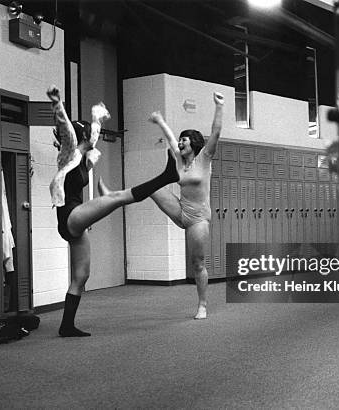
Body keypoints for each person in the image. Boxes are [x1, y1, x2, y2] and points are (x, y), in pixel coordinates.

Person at [47, 86, 179, 337]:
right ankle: (166, 176)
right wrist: (57, 102)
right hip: (70, 217)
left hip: (76, 220)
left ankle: (66, 326)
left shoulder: (85, 153)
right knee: (118, 197)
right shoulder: (68, 155)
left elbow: (93, 135)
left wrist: (98, 116)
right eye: (86, 132)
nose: (90, 136)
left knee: (82, 276)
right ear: (78, 137)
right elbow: (65, 128)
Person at [148, 92, 224, 319]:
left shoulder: (205, 159)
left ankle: (202, 305)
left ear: (194, 143)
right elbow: (171, 140)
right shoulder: (180, 162)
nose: (180, 142)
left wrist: (219, 106)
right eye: (180, 140)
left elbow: (217, 133)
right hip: (181, 210)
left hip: (198, 219)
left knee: (197, 263)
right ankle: (116, 197)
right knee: (152, 188)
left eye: (185, 140)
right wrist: (160, 121)